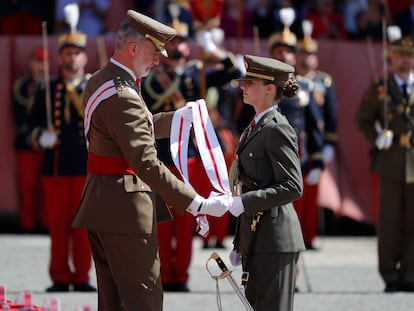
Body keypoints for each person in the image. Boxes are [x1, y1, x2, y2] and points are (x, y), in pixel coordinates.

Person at [71, 10, 232, 310]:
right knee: (144, 299)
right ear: (133, 48)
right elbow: (145, 161)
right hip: (125, 208)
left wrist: (176, 119)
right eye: (154, 52)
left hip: (104, 200)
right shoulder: (123, 94)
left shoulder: (103, 79)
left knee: (114, 300)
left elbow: (132, 128)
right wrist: (195, 202)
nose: (158, 59)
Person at [141, 8, 241, 291]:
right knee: (161, 222)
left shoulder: (197, 75)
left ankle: (180, 275)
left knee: (186, 221)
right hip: (161, 156)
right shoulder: (151, 78)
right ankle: (160, 275)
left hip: (189, 158)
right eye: (171, 42)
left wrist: (215, 50)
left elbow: (235, 72)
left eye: (182, 41)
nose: (177, 47)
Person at [227, 54, 305, 310]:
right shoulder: (255, 127)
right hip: (258, 237)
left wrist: (245, 201)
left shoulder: (277, 128)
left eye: (250, 82)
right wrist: (241, 242)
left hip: (275, 238)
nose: (243, 86)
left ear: (270, 88)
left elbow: (293, 186)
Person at [29, 26, 95, 292]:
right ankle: (59, 276)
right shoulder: (47, 87)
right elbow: (28, 126)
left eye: (76, 53)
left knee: (83, 228)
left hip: (85, 167)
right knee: (58, 227)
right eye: (67, 53)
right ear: (59, 58)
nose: (71, 58)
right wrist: (39, 136)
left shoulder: (92, 87)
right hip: (55, 167)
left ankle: (81, 277)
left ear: (84, 58)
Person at [356, 28, 414, 293]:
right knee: (389, 222)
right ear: (391, 58)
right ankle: (390, 274)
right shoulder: (380, 87)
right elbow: (362, 119)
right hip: (390, 161)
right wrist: (376, 137)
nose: (404, 60)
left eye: (409, 56)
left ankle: (411, 273)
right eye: (400, 55)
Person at [268, 16, 325, 251]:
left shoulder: (304, 88)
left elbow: (314, 126)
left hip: (294, 158)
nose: (284, 56)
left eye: (289, 52)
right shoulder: (263, 84)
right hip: (266, 158)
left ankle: (292, 272)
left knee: (292, 217)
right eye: (279, 51)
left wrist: (319, 159)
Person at [295, 20, 339, 249]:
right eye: (302, 53)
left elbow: (332, 115)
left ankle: (309, 237)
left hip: (316, 143)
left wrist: (329, 144)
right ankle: (296, 237)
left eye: (310, 53)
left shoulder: (324, 82)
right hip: (296, 140)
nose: (306, 58)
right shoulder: (290, 81)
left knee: (312, 195)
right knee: (296, 194)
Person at [12, 47, 46, 233]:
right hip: (26, 144)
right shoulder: (21, 87)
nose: (41, 66)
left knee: (48, 188)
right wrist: (33, 135)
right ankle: (27, 224)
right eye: (37, 61)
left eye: (44, 62)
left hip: (48, 144)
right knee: (27, 186)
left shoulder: (53, 85)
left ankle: (48, 224)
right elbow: (19, 116)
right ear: (30, 64)